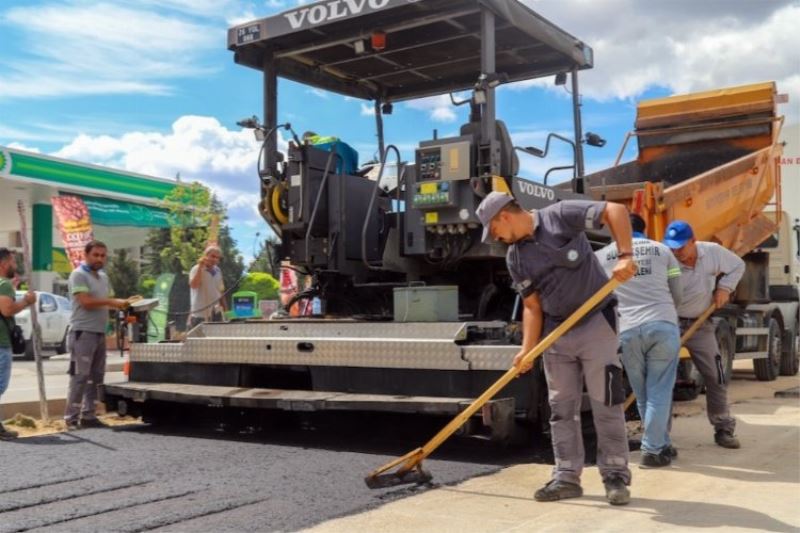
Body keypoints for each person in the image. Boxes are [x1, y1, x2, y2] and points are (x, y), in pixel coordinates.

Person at [477, 191, 637, 506]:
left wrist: (625, 255)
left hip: (596, 324)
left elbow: (615, 210)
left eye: (493, 229)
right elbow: (532, 307)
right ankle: (566, 477)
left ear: (504, 217)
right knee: (561, 409)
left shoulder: (560, 215)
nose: (494, 237)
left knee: (607, 403)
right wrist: (527, 349)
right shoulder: (516, 258)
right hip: (556, 334)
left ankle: (616, 476)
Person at [596, 214, 683, 468]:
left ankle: (661, 443)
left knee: (643, 393)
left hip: (627, 329)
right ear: (644, 229)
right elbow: (677, 292)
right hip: (662, 325)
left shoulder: (602, 256)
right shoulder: (663, 250)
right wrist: (667, 315)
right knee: (659, 391)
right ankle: (653, 450)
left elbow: (598, 296)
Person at [664, 220, 745, 449]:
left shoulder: (712, 253)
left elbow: (738, 266)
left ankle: (724, 428)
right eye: (672, 247)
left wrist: (724, 288)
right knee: (662, 379)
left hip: (701, 324)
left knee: (717, 373)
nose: (676, 251)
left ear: (693, 241)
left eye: (681, 246)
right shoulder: (665, 258)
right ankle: (660, 437)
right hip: (671, 323)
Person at [65, 240, 128, 430]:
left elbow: (104, 303)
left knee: (96, 377)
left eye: (103, 255)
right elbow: (85, 301)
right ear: (86, 255)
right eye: (96, 255)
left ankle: (89, 415)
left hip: (99, 333)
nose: (100, 258)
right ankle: (71, 418)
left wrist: (123, 305)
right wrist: (112, 301)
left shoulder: (103, 277)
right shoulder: (78, 275)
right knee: (80, 377)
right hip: (82, 333)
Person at [0, 248, 36, 439]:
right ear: (5, 263)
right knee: (0, 385)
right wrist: (26, 301)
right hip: (1, 343)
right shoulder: (3, 284)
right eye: (13, 262)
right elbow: (7, 310)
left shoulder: (4, 286)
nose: (15, 265)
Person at [189, 246, 227, 328]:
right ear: (205, 255)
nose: (215, 260)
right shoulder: (196, 269)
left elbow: (221, 290)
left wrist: (225, 309)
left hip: (216, 312)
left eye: (217, 258)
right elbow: (194, 285)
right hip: (200, 313)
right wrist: (200, 267)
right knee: (199, 340)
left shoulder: (218, 271)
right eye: (213, 256)